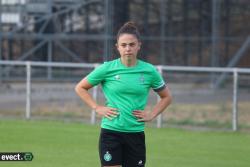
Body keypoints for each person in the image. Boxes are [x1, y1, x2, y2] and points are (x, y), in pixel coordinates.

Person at [75, 21, 172, 167]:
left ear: (139, 45)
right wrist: (97, 108)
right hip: (111, 132)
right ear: (117, 47)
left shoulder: (149, 71)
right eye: (124, 45)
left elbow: (167, 97)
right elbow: (80, 87)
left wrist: (152, 114)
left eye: (132, 44)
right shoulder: (107, 68)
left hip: (136, 133)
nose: (128, 48)